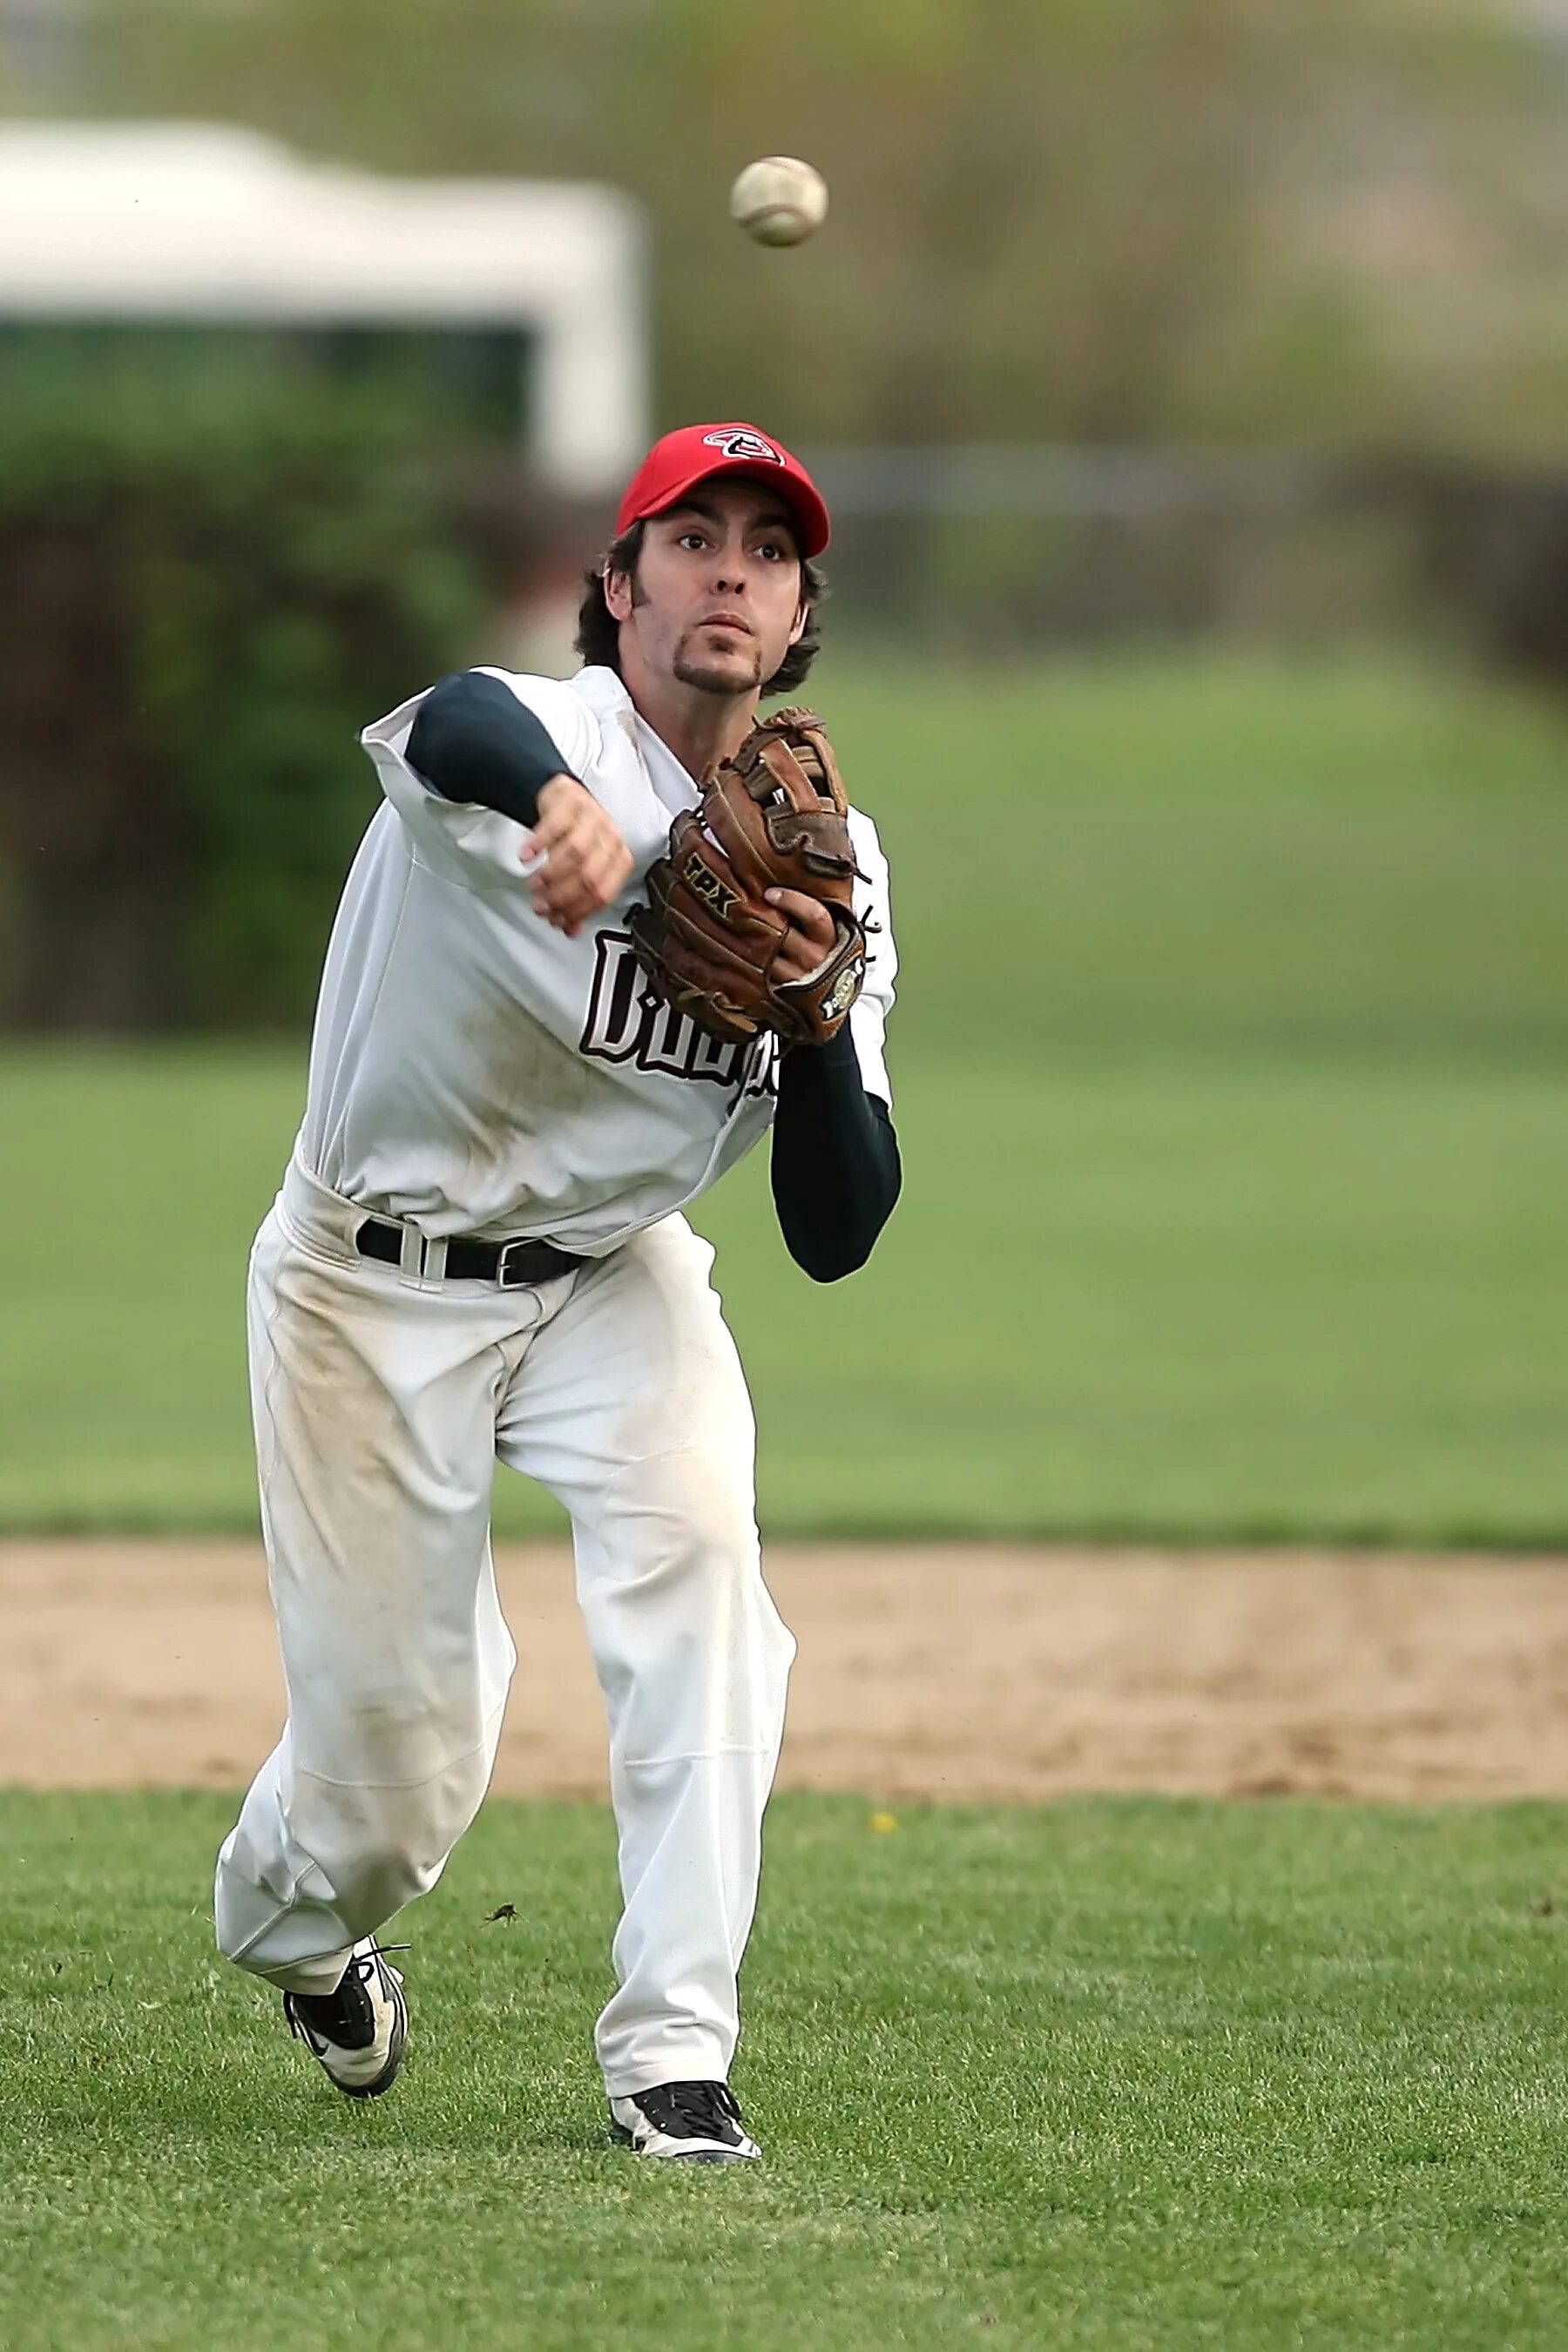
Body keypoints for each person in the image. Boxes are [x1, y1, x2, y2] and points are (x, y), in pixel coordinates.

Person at [213, 422, 901, 2164]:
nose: (731, 564)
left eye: (770, 544)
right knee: (398, 1770)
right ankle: (297, 1931)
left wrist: (816, 1026)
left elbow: (841, 1228)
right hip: (370, 1283)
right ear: (620, 587)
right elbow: (451, 720)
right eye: (692, 536)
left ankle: (675, 2058)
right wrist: (558, 807)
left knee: (706, 1590)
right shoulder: (537, 741)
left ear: (802, 606)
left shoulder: (832, 862)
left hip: (611, 1270)